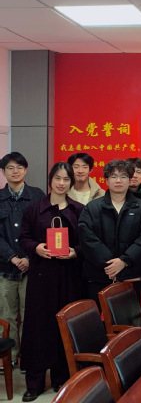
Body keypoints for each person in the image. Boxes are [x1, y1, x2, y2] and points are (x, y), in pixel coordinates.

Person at [19, 162, 84, 401]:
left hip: (69, 277)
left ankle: (61, 378)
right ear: (50, 180)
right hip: (41, 277)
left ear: (71, 183)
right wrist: (36, 247)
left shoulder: (79, 210)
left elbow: (87, 242)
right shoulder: (34, 209)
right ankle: (34, 382)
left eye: (66, 179)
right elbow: (23, 238)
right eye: (57, 178)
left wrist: (75, 252)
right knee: (37, 327)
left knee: (65, 325)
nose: (61, 183)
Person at [78, 159, 141, 305]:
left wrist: (124, 261)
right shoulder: (92, 208)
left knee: (128, 318)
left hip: (131, 275)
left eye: (123, 176)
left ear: (130, 180)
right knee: (98, 318)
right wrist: (111, 265)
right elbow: (87, 238)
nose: (118, 180)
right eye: (113, 176)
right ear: (106, 180)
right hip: (99, 276)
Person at [0, 152, 45, 366]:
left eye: (19, 167)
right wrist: (12, 257)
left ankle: (28, 358)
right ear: (3, 172)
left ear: (25, 170)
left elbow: (43, 230)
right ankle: (8, 358)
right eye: (10, 167)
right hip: (4, 267)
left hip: (32, 267)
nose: (15, 171)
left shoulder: (37, 195)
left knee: (31, 315)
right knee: (6, 316)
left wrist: (28, 257)